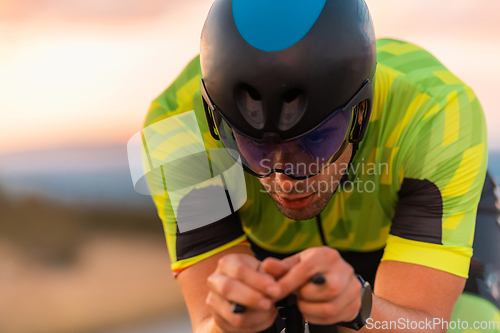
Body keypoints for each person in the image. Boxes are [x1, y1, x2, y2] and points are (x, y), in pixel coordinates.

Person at [142, 0, 500, 332]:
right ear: (215, 120)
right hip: (265, 245)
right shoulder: (175, 131)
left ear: (362, 113)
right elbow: (207, 321)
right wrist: (227, 324)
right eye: (252, 145)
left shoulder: (437, 117)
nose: (284, 178)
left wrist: (360, 308)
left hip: (398, 221)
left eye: (314, 141)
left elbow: (424, 321)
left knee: (474, 324)